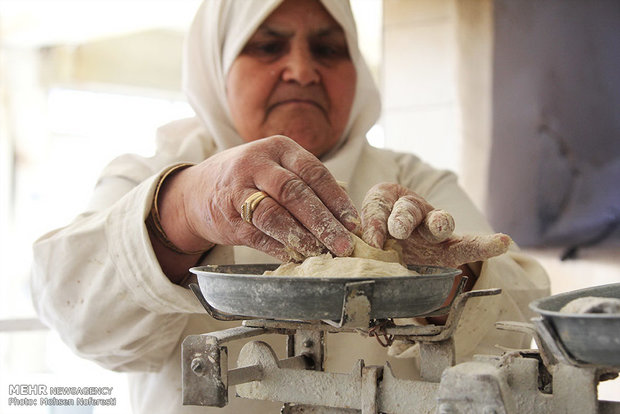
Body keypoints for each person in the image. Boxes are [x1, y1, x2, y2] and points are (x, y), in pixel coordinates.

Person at [31, 0, 550, 413]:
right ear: (218, 63)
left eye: (327, 49)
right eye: (267, 45)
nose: (302, 70)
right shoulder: (153, 175)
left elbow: (527, 316)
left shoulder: (411, 182)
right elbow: (71, 309)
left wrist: (445, 277)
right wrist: (186, 209)